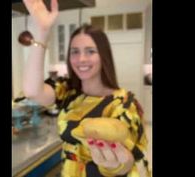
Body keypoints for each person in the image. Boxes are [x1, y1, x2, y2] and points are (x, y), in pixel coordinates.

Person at [22, 0, 151, 176]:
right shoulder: (67, 90)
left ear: (103, 55)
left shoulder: (125, 104)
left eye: (90, 51)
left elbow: (133, 159)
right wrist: (43, 31)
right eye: (75, 51)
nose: (81, 59)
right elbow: (32, 91)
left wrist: (117, 165)